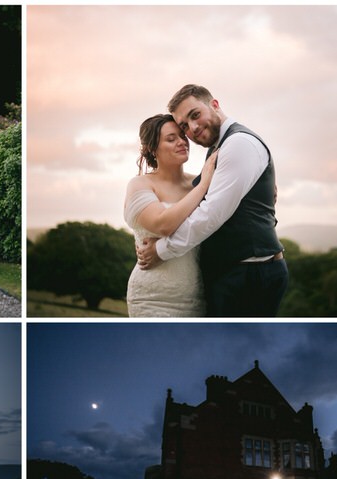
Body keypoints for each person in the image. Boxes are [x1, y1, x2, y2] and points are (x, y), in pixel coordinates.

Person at [136, 85, 288, 317]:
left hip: (248, 275)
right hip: (233, 274)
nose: (193, 129)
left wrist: (161, 250)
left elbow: (211, 213)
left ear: (214, 105)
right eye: (184, 125)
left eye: (195, 115)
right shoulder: (220, 148)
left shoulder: (238, 144)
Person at [123, 114, 218, 316]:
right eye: (171, 139)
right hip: (153, 298)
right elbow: (163, 224)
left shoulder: (202, 181)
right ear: (151, 149)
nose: (182, 142)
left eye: (182, 136)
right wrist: (202, 187)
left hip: (197, 295)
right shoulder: (141, 184)